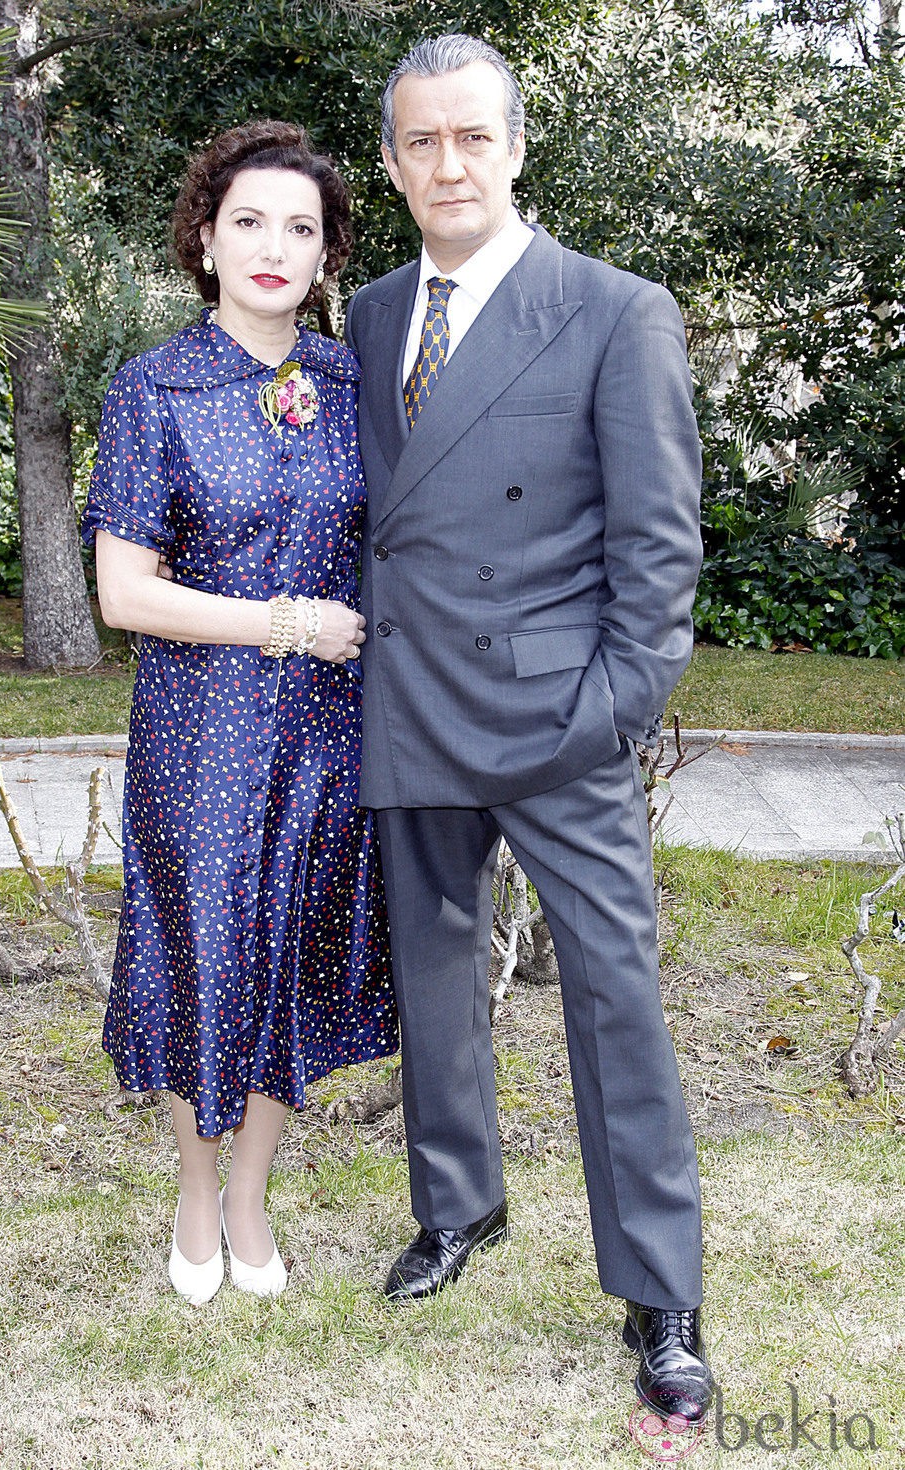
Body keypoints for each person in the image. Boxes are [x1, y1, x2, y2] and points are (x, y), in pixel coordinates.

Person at [345, 35, 714, 1424]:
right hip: (414, 699)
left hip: (559, 717)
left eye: (472, 139)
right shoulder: (376, 313)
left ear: (516, 147)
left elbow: (660, 544)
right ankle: (460, 1208)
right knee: (432, 976)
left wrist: (609, 712)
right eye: (420, 143)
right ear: (391, 163)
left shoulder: (615, 309)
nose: (449, 165)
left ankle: (661, 1290)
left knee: (615, 1000)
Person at [83, 120, 397, 1307]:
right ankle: (192, 1193)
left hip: (329, 732)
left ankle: (251, 1199)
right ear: (205, 239)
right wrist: (283, 622)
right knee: (199, 959)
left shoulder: (351, 385)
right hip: (198, 731)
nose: (275, 246)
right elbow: (125, 593)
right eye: (250, 221)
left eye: (301, 229)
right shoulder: (152, 387)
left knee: (291, 964)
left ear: (326, 259)